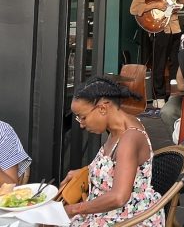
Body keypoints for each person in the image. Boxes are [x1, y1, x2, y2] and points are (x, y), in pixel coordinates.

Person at [63, 76, 163, 226]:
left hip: (129, 218)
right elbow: (115, 168)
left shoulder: (129, 138)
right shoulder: (116, 130)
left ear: (103, 108)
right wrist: (86, 171)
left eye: (82, 117)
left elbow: (119, 197)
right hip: (108, 213)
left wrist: (74, 209)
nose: (81, 124)